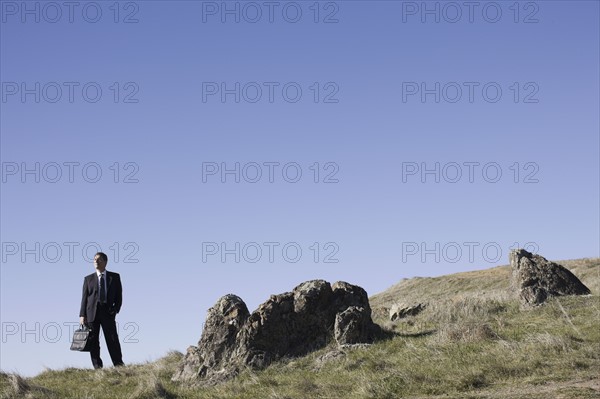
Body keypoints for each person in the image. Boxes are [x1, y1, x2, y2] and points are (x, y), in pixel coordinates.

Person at [79, 252, 124, 368]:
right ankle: (97, 366)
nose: (95, 262)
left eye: (98, 259)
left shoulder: (114, 277)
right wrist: (82, 315)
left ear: (105, 262)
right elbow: (84, 298)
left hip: (108, 312)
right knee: (93, 341)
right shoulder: (88, 279)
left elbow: (119, 296)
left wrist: (115, 310)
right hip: (91, 314)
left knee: (112, 339)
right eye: (94, 259)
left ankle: (118, 364)